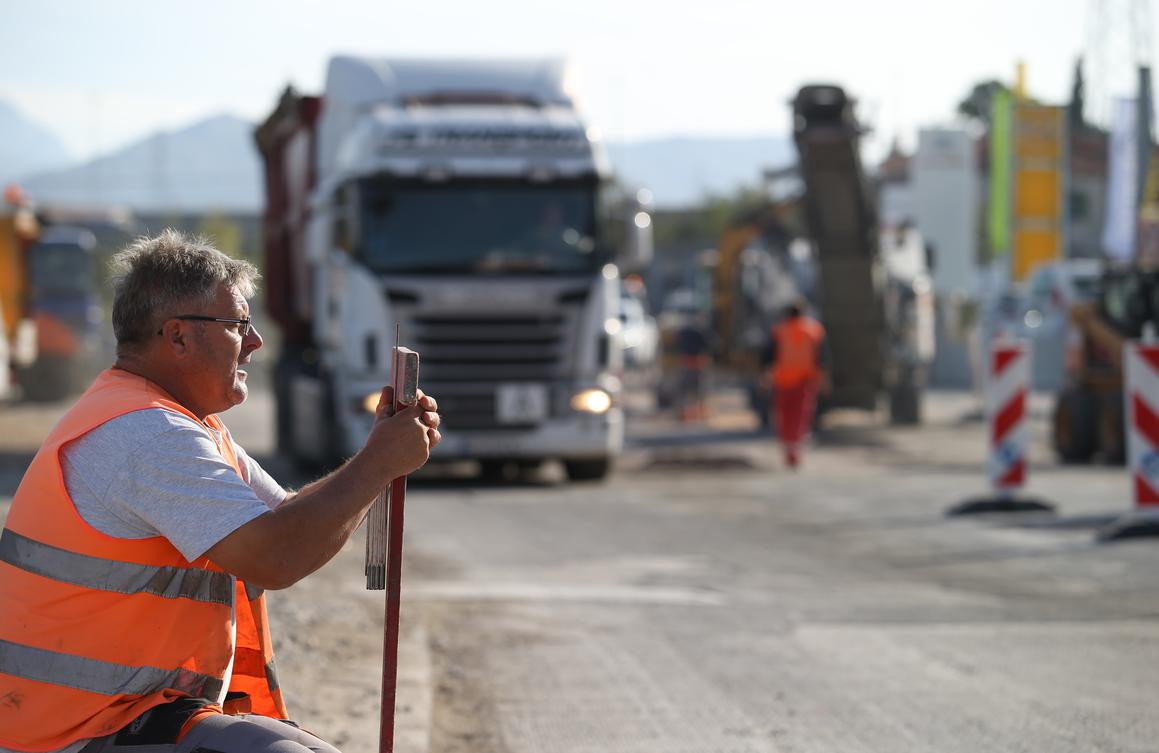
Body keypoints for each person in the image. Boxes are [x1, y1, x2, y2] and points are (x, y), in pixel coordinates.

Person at [0, 230, 442, 753]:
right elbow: (278, 556)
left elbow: (289, 519)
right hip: (78, 732)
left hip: (126, 713)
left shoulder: (184, 425)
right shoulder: (147, 435)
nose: (256, 341)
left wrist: (378, 456)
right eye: (239, 325)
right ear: (179, 337)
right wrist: (377, 463)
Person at [767, 300, 829, 468]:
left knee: (784, 416)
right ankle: (795, 450)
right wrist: (823, 380)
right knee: (800, 417)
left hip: (783, 381)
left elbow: (769, 356)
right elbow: (822, 357)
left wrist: (765, 376)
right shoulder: (814, 330)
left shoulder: (779, 330)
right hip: (805, 381)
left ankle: (788, 449)